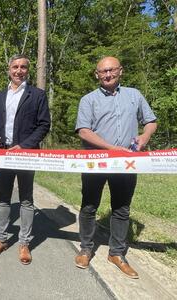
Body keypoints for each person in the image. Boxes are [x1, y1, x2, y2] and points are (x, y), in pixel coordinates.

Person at [74, 56, 157, 279]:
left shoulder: (134, 95)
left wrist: (144, 136)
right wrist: (112, 148)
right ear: (96, 74)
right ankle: (85, 248)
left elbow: (151, 121)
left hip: (126, 163)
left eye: (112, 70)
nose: (108, 74)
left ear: (120, 71)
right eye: (103, 71)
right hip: (96, 161)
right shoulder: (88, 100)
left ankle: (117, 253)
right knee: (89, 206)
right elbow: (84, 131)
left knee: (121, 208)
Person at [0, 54, 51, 265]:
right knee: (3, 198)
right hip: (3, 155)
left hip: (26, 155)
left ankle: (24, 243)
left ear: (27, 70)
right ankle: (1, 240)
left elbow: (44, 125)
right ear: (9, 69)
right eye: (15, 67)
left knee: (26, 199)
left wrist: (24, 145)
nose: (19, 70)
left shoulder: (38, 95)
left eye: (23, 67)